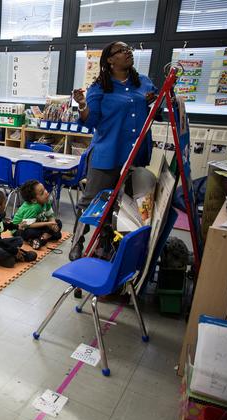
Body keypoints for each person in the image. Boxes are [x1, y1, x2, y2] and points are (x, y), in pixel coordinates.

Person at [70, 41, 157, 262]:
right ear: (110, 60)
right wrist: (81, 105)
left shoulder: (144, 83)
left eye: (129, 50)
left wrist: (156, 102)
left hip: (136, 154)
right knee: (92, 201)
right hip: (108, 153)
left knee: (126, 206)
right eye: (122, 51)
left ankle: (109, 247)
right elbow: (91, 122)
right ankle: (78, 242)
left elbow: (157, 112)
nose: (128, 53)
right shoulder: (100, 87)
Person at [12, 180, 62, 250]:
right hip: (20, 228)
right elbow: (28, 225)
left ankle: (41, 238)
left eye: (44, 189)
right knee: (30, 232)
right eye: (42, 193)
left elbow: (50, 215)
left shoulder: (46, 201)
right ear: (34, 200)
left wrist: (53, 224)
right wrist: (48, 223)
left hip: (36, 223)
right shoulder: (33, 208)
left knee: (58, 224)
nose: (46, 192)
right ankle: (44, 237)